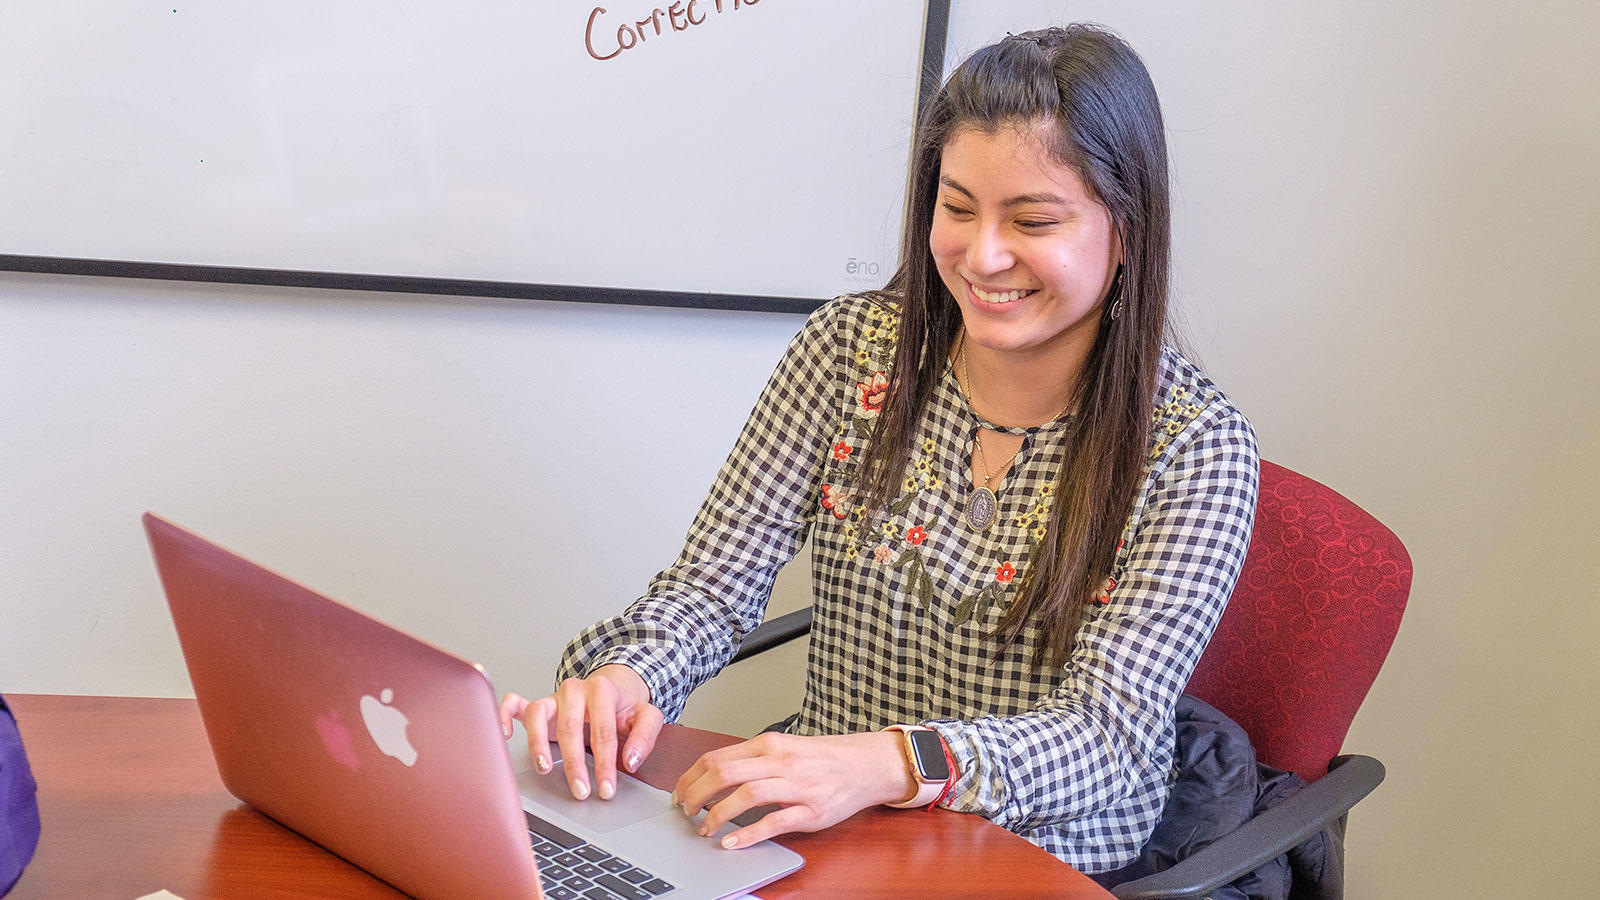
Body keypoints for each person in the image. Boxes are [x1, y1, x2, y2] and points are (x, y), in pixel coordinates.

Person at [500, 23, 1258, 876]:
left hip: (1036, 857)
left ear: (1127, 230)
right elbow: (712, 588)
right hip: (821, 828)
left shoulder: (1197, 447)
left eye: (1033, 219)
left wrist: (888, 765)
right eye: (958, 207)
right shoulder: (851, 351)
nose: (984, 255)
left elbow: (1107, 737)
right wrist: (627, 681)